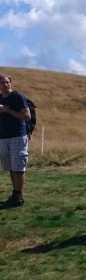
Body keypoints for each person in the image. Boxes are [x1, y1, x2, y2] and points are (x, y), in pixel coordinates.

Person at [0, 74, 31, 207]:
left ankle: (18, 195)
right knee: (11, 167)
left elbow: (26, 116)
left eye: (7, 82)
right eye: (2, 83)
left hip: (18, 136)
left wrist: (7, 110)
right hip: (3, 137)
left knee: (18, 167)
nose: (5, 85)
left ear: (10, 83)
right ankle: (15, 193)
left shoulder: (18, 97)